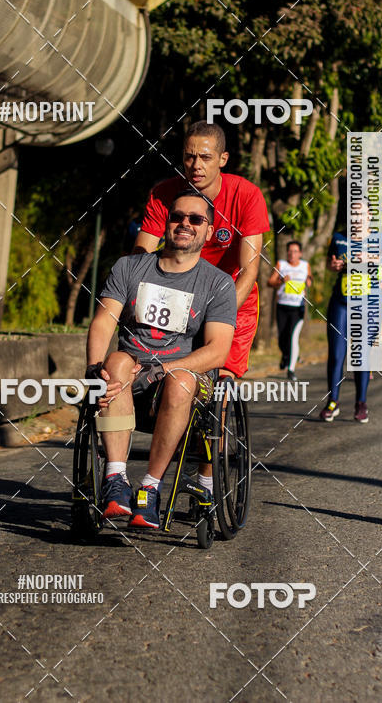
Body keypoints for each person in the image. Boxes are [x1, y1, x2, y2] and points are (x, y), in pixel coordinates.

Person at [86, 189, 237, 530]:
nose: (185, 223)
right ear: (166, 223)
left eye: (195, 219)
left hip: (182, 382)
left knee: (180, 380)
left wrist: (162, 369)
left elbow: (217, 350)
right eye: (177, 217)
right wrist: (95, 370)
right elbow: (103, 321)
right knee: (115, 362)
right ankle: (116, 480)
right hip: (129, 378)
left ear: (209, 231)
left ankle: (150, 489)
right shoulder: (129, 267)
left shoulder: (218, 283)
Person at [133, 121, 270, 379]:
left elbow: (249, 270)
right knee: (161, 378)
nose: (196, 165)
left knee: (221, 384)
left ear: (222, 159)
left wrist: (217, 313)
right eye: (190, 156)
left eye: (206, 157)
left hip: (232, 297)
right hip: (176, 297)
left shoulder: (247, 195)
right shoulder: (163, 193)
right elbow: (140, 257)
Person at [320, 201, 382, 424]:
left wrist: (374, 258)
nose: (356, 217)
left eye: (360, 213)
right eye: (353, 212)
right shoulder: (339, 237)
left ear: (369, 216)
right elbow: (329, 263)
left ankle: (361, 403)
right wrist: (333, 266)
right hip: (341, 302)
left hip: (367, 306)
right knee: (336, 354)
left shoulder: (379, 239)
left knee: (361, 355)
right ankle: (332, 403)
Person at [268, 240, 312, 380]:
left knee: (293, 337)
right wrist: (281, 280)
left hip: (297, 308)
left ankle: (291, 370)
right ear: (287, 252)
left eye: (295, 251)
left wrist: (309, 281)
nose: (292, 254)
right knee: (282, 338)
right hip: (282, 306)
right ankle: (286, 355)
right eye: (290, 251)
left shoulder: (305, 265)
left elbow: (309, 278)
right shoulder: (281, 264)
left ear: (300, 253)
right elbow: (270, 282)